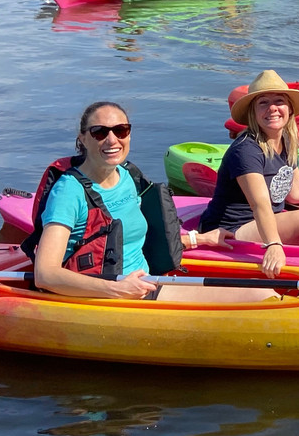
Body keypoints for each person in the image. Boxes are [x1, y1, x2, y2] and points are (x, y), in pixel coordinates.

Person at [31, 101, 275, 301]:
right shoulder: (68, 193)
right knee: (258, 296)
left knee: (263, 289)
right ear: (83, 139)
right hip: (113, 297)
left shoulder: (126, 175)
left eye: (121, 130)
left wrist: (198, 239)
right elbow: (45, 274)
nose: (112, 140)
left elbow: (128, 236)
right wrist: (117, 289)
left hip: (146, 283)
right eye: (100, 132)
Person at [199, 70, 299, 277]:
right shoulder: (246, 150)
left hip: (265, 221)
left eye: (279, 101)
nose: (273, 108)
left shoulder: (286, 141)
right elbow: (260, 204)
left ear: (290, 109)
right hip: (230, 229)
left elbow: (297, 192)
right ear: (253, 112)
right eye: (263, 103)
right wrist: (273, 244)